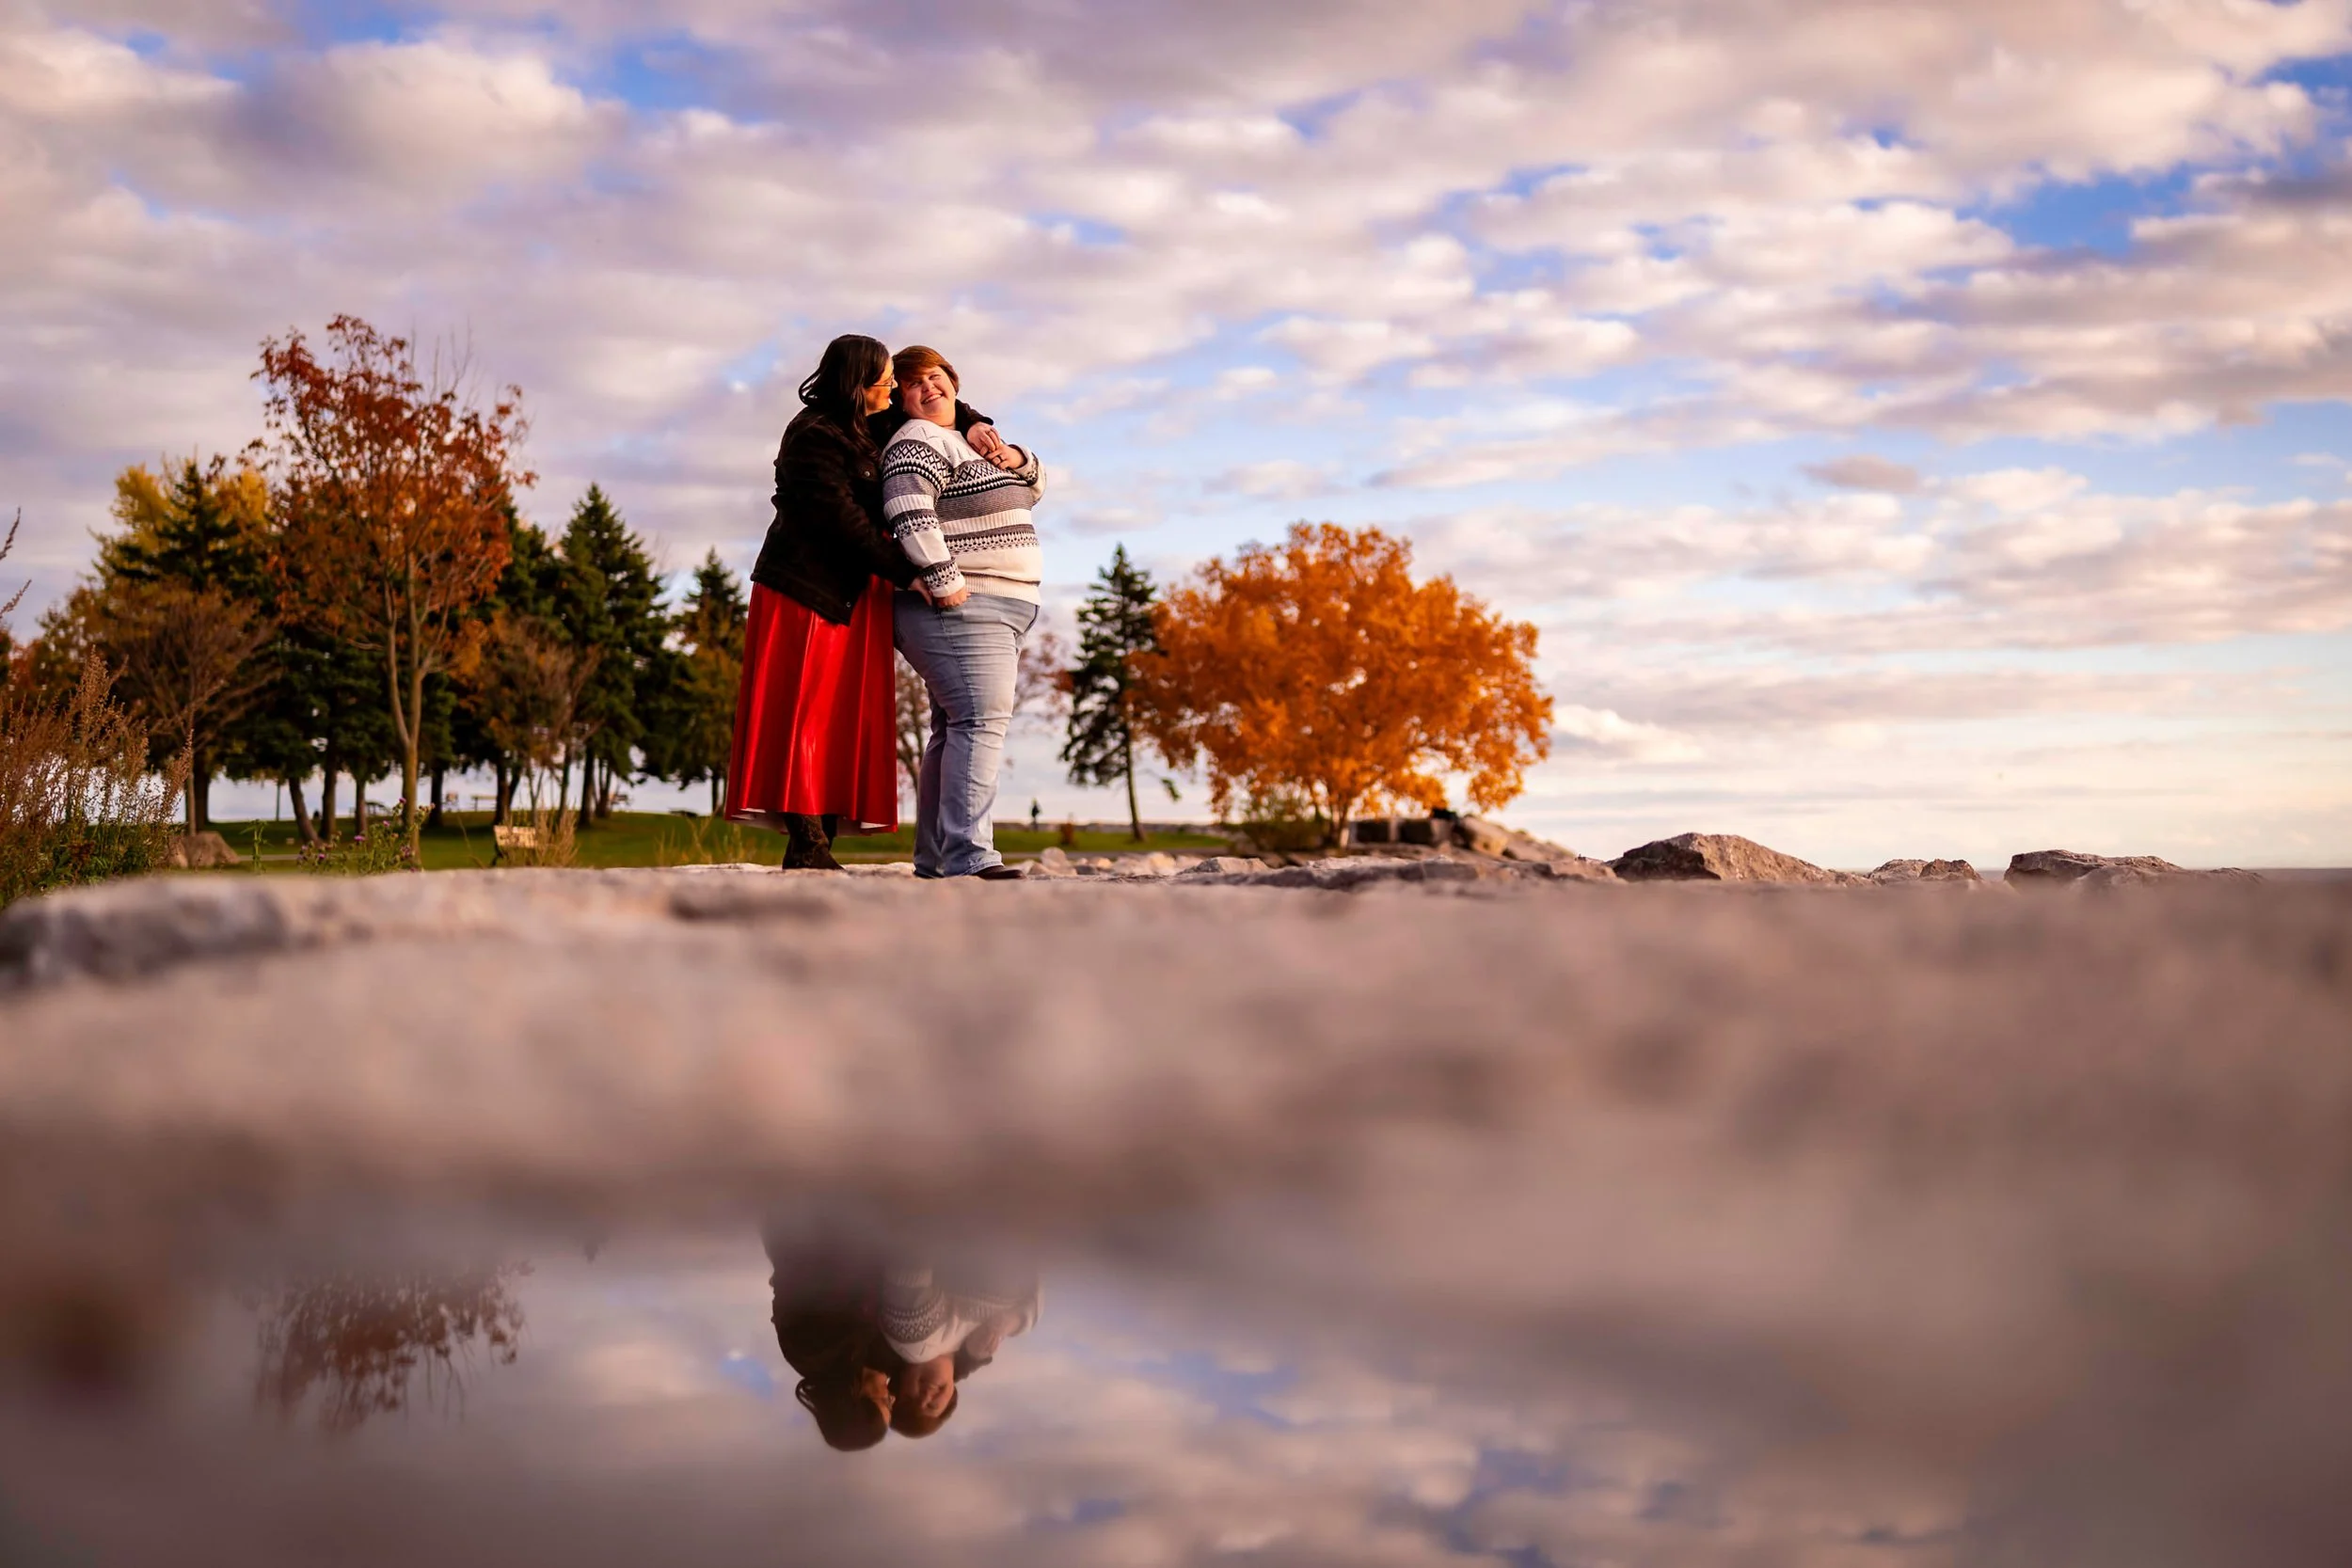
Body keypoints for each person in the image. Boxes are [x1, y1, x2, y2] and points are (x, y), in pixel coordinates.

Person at [729, 335, 1009, 869]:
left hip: (857, 593)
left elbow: (931, 398)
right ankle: (807, 844)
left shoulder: (871, 424)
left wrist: (972, 419)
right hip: (805, 590)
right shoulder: (814, 433)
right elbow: (839, 518)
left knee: (842, 715)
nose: (891, 387)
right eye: (883, 378)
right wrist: (911, 573)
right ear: (858, 383)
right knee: (803, 711)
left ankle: (815, 847)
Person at [882, 345, 1046, 879]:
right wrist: (944, 580)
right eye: (913, 384)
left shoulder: (966, 441)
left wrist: (1018, 459)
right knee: (979, 720)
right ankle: (970, 857)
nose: (928, 388)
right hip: (965, 602)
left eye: (936, 376)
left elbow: (1034, 488)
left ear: (954, 381)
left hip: (1002, 604)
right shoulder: (916, 440)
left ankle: (935, 858)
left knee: (954, 729)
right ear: (901, 400)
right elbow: (909, 510)